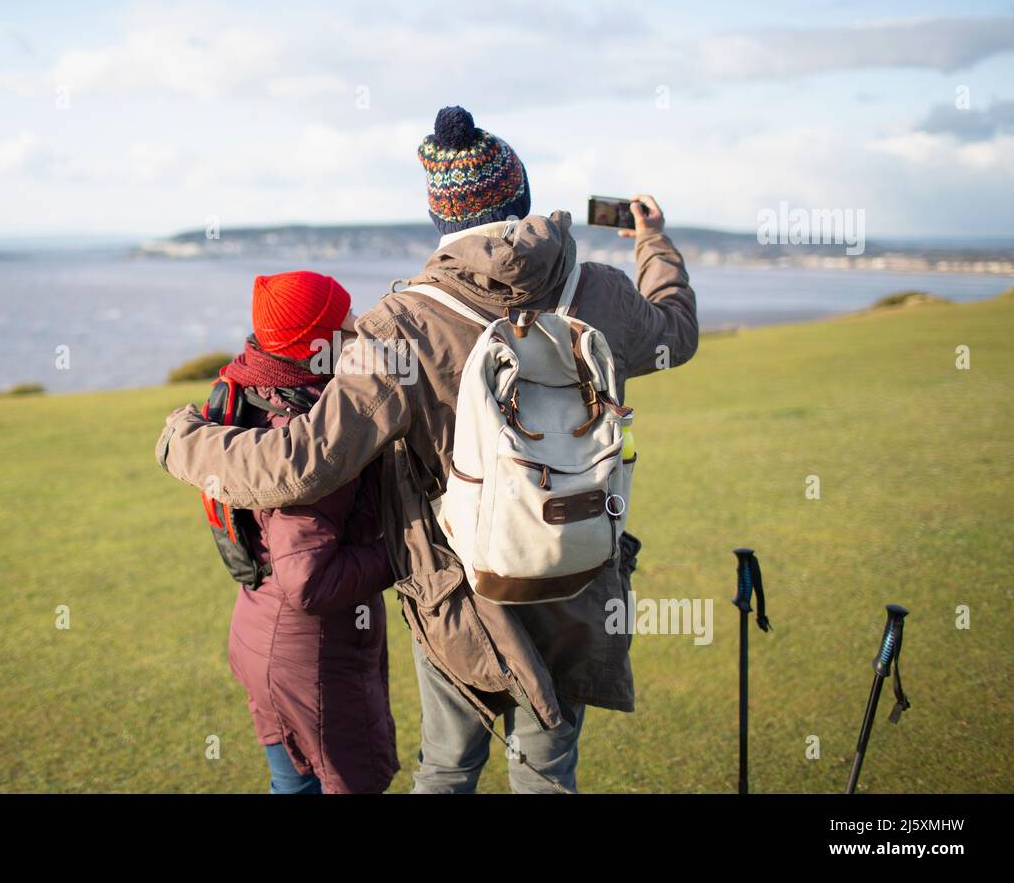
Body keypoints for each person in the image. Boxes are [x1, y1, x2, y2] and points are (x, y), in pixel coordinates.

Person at [159, 106, 698, 793]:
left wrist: (187, 438)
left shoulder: (399, 325)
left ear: (440, 215)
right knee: (548, 769)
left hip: (459, 583)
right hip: (577, 557)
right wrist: (652, 242)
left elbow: (297, 464)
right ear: (520, 195)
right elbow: (675, 334)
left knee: (446, 769)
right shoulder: (599, 290)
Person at [215, 271, 399, 794]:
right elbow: (310, 581)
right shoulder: (308, 437)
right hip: (308, 653)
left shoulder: (257, 388)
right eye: (345, 317)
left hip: (262, 628)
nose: (358, 321)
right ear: (319, 341)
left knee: (293, 784)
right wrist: (404, 552)